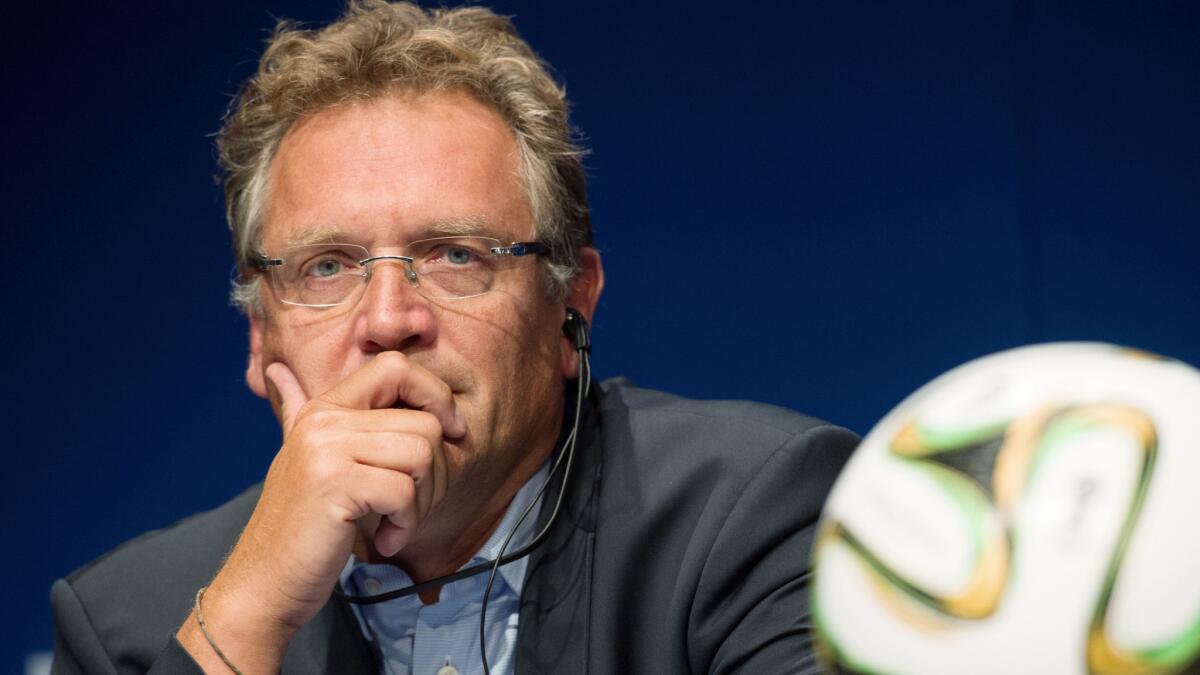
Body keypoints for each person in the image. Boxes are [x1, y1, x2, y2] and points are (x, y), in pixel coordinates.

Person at [49, 2, 858, 673]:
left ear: (570, 304)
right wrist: (252, 612)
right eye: (328, 266)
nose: (389, 319)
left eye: (456, 254)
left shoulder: (756, 521)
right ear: (261, 336)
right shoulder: (130, 621)